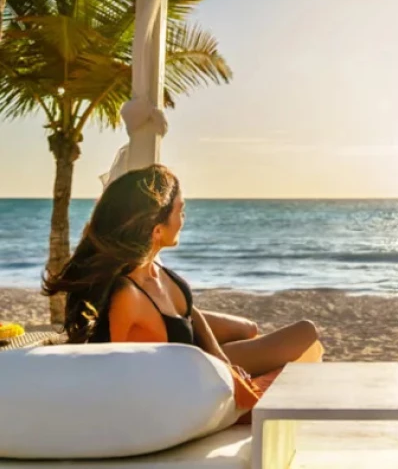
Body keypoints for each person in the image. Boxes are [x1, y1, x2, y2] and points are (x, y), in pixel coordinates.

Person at [43, 164, 321, 407]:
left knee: (251, 329)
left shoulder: (156, 270)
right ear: (157, 229)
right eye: (180, 210)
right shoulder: (127, 294)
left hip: (200, 359)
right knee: (306, 337)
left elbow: (193, 314)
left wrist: (224, 364)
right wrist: (228, 382)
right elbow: (117, 376)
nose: (184, 218)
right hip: (191, 384)